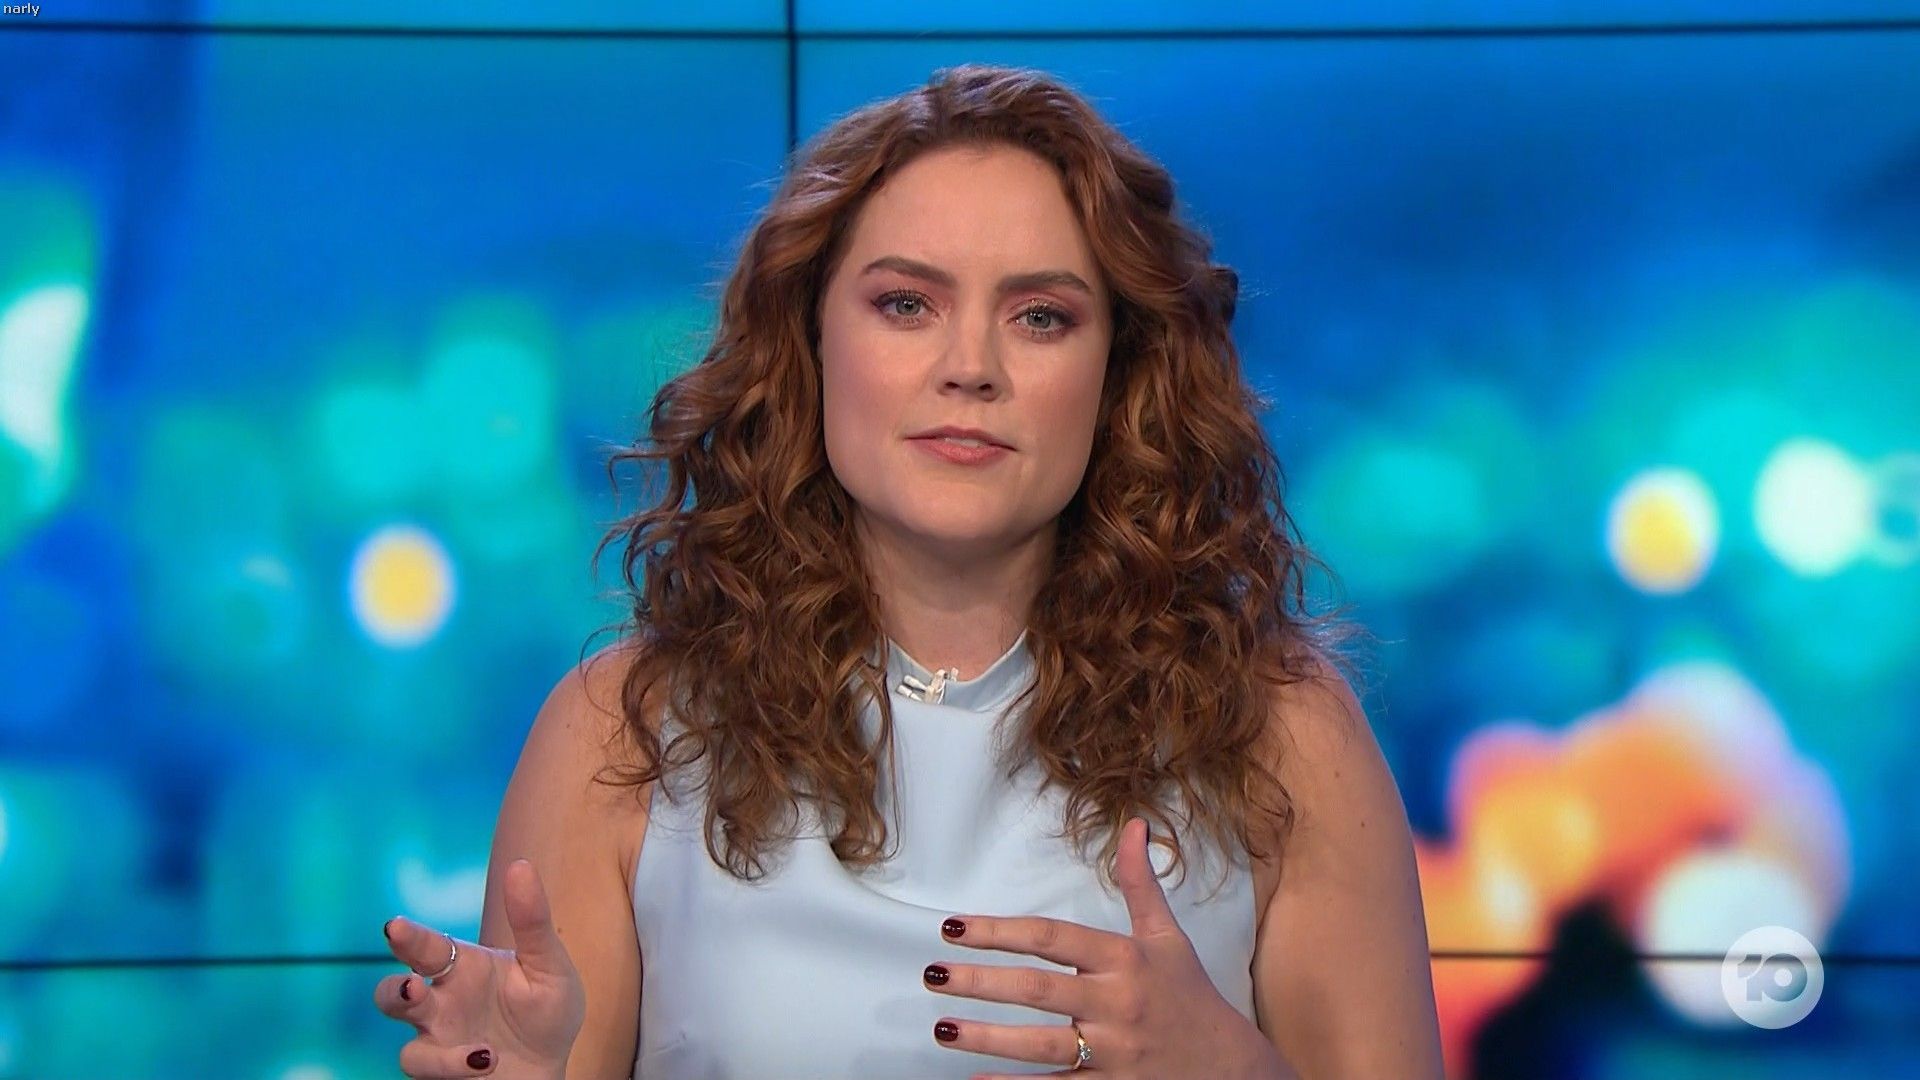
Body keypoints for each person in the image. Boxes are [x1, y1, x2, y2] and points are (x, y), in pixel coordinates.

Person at [373, 62, 1443, 1079]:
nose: (970, 367)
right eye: (905, 305)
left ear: (1119, 372)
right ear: (810, 343)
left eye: (1041, 317)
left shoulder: (1280, 736)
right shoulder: (623, 739)